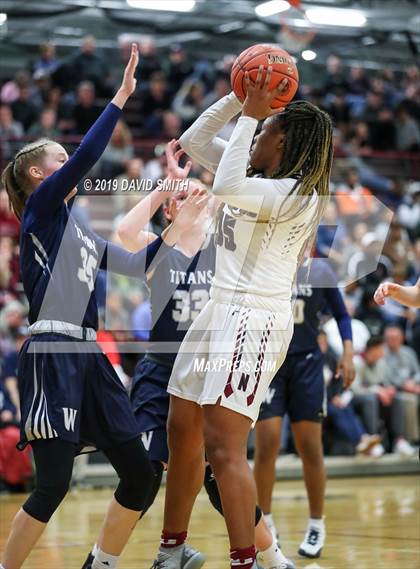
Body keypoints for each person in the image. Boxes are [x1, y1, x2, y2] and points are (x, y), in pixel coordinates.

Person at [0, 44, 206, 569]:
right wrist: (121, 96)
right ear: (39, 178)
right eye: (60, 162)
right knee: (52, 484)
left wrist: (172, 208)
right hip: (51, 351)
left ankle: (100, 562)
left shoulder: (83, 233)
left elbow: (138, 266)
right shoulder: (42, 214)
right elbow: (89, 156)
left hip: (92, 358)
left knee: (140, 473)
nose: (70, 165)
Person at [150, 66, 334, 569]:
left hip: (254, 321)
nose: (253, 133)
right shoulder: (256, 176)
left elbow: (227, 183)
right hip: (218, 310)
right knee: (182, 426)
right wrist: (239, 101)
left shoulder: (297, 194)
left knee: (224, 447)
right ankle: (172, 551)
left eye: (267, 128)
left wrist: (253, 114)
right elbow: (192, 139)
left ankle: (245, 561)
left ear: (284, 142)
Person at [107, 140, 293, 569]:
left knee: (220, 480)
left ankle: (273, 556)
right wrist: (164, 185)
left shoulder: (223, 254)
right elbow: (124, 233)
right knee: (148, 469)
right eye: (182, 195)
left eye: (197, 190)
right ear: (171, 211)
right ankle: (128, 555)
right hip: (161, 370)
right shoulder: (160, 247)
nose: (194, 193)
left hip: (211, 370)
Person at [254, 258, 355, 559]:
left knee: (310, 446)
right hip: (272, 362)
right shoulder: (267, 261)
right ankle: (266, 522)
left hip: (308, 363)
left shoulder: (321, 270)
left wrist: (348, 354)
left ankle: (316, 524)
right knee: (267, 442)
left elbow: (342, 314)